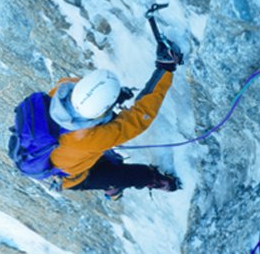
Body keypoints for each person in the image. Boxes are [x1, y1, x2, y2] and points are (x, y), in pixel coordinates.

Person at [47, 40, 183, 200]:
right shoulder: (90, 139)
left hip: (58, 152)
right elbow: (139, 118)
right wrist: (165, 69)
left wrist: (113, 97)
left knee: (104, 155)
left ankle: (110, 180)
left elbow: (91, 91)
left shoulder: (60, 92)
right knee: (128, 175)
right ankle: (152, 181)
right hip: (74, 175)